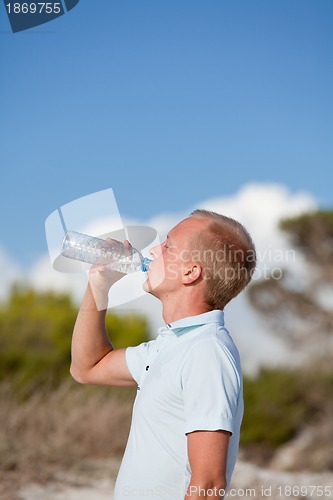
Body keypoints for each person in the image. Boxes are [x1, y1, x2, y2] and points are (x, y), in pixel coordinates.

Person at [70, 209, 256, 499]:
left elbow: (208, 485)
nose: (154, 251)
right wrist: (98, 286)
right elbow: (87, 367)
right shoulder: (171, 344)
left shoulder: (206, 352)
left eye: (167, 246)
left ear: (190, 272)